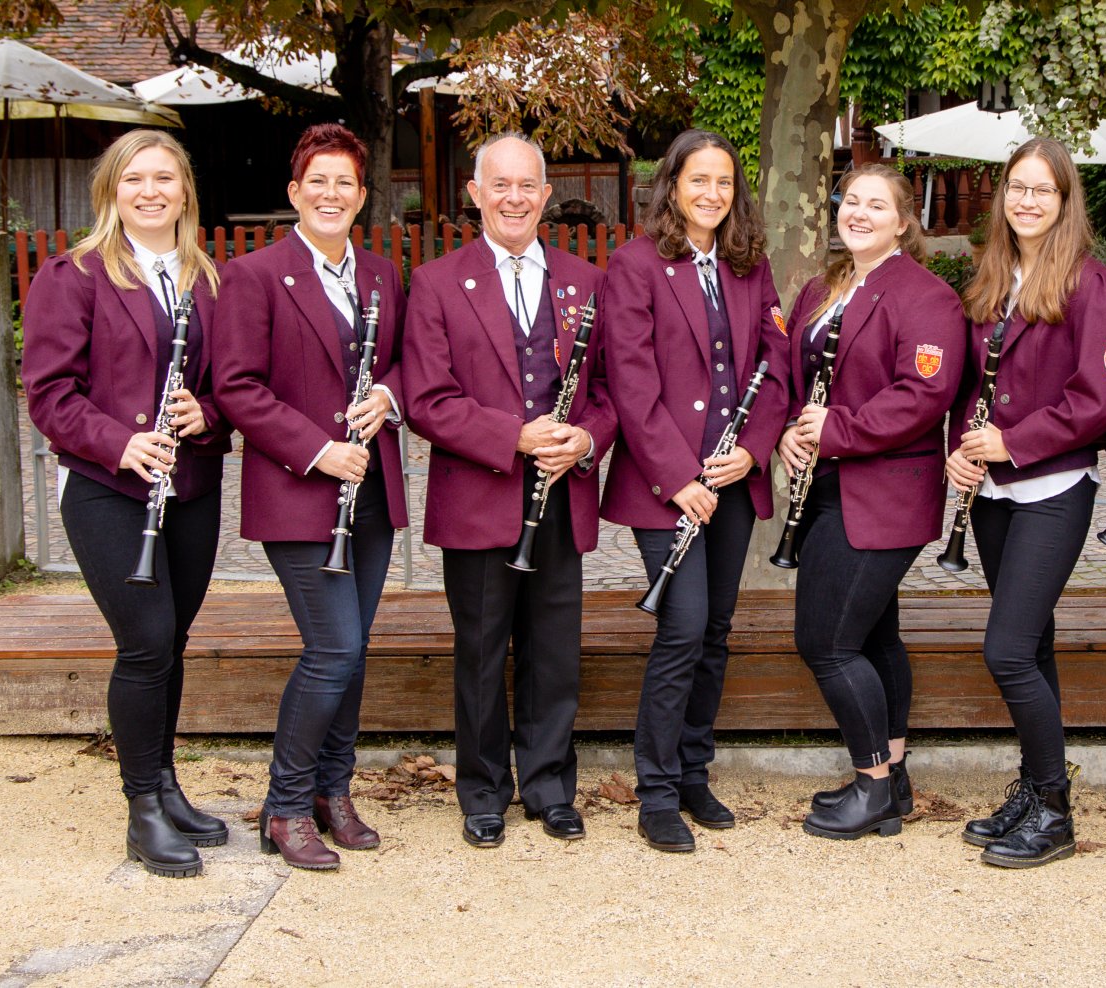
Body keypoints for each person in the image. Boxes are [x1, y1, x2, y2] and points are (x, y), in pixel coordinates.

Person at [24, 130, 232, 878]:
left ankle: (167, 785)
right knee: (144, 641)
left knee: (171, 640)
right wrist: (122, 442)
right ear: (112, 191)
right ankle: (142, 807)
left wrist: (208, 412)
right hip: (109, 488)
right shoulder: (73, 275)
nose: (150, 192)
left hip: (192, 485)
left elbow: (233, 382)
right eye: (134, 179)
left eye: (164, 179)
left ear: (184, 192)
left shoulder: (209, 277)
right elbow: (49, 395)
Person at [402, 132, 614, 849]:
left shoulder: (586, 280)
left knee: (555, 650)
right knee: (482, 651)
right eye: (501, 185)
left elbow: (611, 393)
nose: (514, 198)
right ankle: (484, 789)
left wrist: (585, 440)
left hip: (561, 495)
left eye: (528, 186)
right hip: (479, 498)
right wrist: (514, 437)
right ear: (475, 193)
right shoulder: (435, 282)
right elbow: (429, 401)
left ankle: (550, 787)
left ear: (546, 196)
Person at [213, 123, 408, 871]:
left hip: (371, 491)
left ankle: (334, 791)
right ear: (295, 193)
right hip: (299, 493)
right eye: (317, 182)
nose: (331, 195)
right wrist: (317, 448)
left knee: (352, 655)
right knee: (333, 648)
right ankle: (286, 804)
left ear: (362, 197)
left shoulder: (383, 275)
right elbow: (235, 386)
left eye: (345, 184)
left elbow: (405, 361)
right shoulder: (255, 274)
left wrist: (387, 393)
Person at [599, 129, 792, 852]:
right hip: (666, 486)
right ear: (671, 185)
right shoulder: (635, 265)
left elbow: (775, 367)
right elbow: (632, 381)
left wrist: (751, 450)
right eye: (697, 180)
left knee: (714, 632)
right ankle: (655, 792)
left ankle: (692, 772)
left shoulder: (749, 264)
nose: (712, 193)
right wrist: (678, 478)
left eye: (723, 182)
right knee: (681, 629)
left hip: (733, 481)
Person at [941, 138, 1106, 868]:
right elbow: (968, 389)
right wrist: (963, 447)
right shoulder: (994, 276)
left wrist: (1010, 442)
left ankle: (1055, 807)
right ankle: (1032, 785)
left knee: (1008, 649)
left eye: (1042, 191)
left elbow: (1096, 400)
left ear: (1064, 201)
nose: (1026, 201)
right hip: (991, 492)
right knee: (1037, 645)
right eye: (1017, 188)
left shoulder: (1094, 283)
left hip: (1052, 488)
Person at [781, 164, 967, 840]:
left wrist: (836, 431)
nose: (858, 212)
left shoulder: (927, 296)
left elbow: (923, 396)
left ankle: (873, 787)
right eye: (850, 200)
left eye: (875, 204)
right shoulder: (822, 288)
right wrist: (788, 434)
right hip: (828, 486)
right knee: (872, 634)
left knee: (825, 641)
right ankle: (894, 776)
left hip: (885, 491)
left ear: (902, 220)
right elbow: (794, 379)